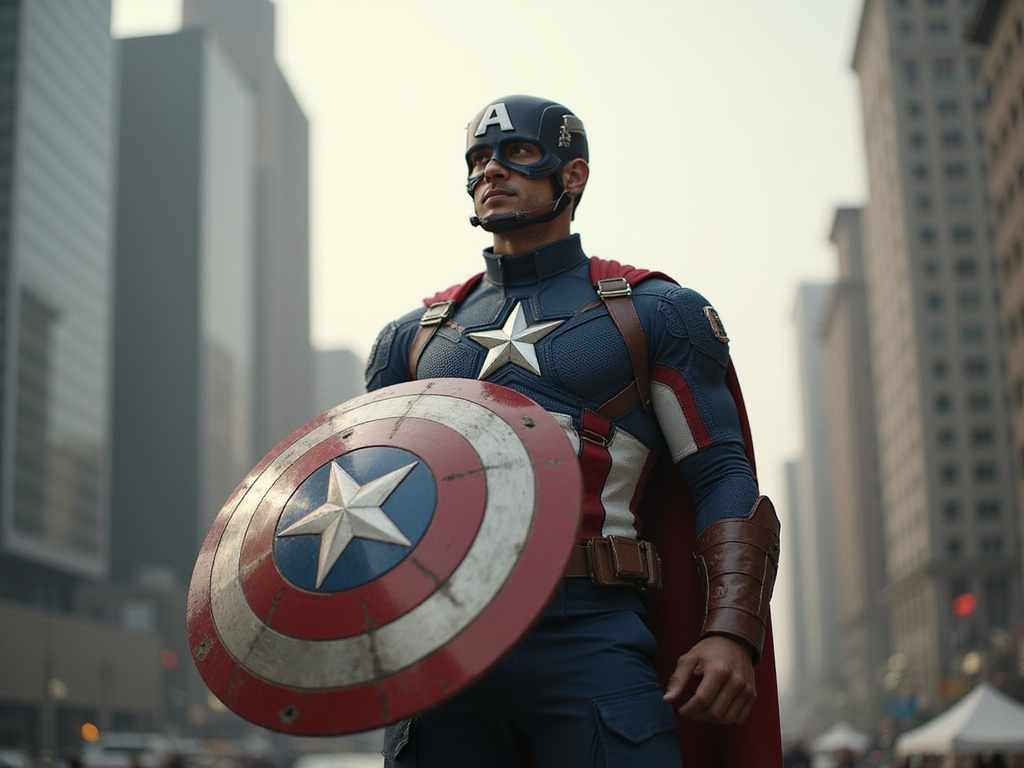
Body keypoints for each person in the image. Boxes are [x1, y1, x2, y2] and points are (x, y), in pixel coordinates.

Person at [367, 94, 781, 768]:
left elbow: (722, 475)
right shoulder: (410, 340)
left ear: (575, 174)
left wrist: (731, 632)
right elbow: (373, 493)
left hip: (590, 627)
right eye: (477, 160)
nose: (491, 171)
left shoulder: (657, 311)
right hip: (442, 640)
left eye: (517, 153)